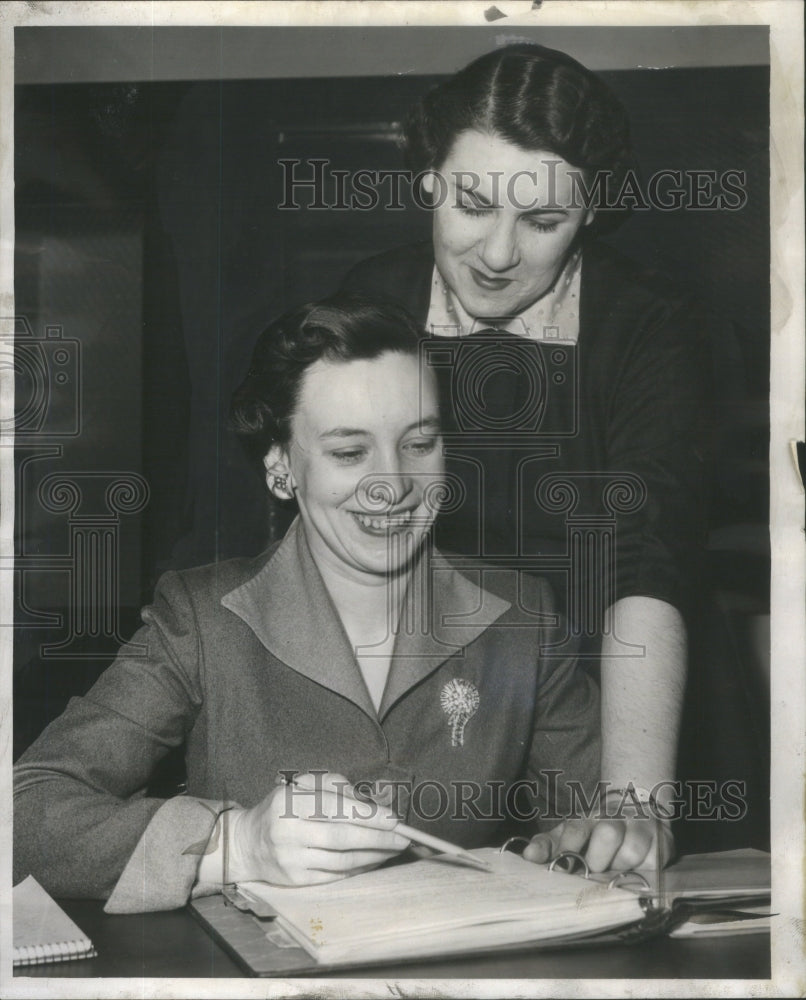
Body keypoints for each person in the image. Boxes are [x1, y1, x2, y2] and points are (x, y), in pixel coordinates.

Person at [14, 295, 620, 914]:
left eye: (419, 443)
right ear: (281, 465)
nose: (394, 485)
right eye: (349, 453)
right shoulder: (200, 619)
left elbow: (597, 823)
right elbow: (25, 810)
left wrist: (594, 844)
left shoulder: (523, 616)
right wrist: (235, 845)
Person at [341, 44, 711, 861]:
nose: (499, 254)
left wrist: (632, 807)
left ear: (590, 214)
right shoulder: (363, 305)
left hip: (613, 704)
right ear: (429, 179)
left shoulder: (650, 323)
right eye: (472, 204)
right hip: (427, 707)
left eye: (543, 221)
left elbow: (646, 562)